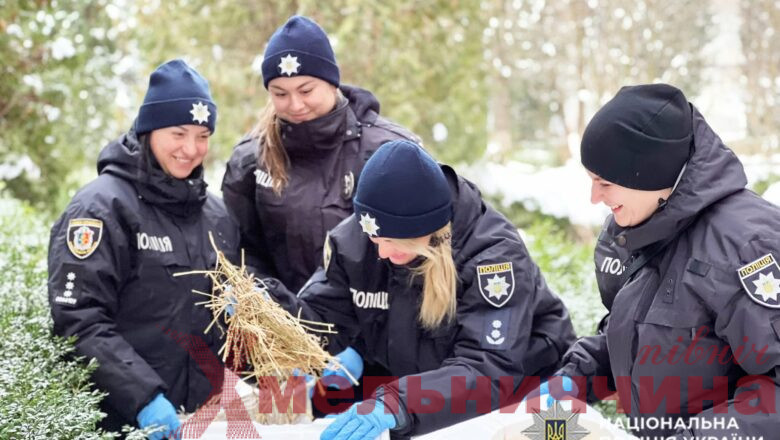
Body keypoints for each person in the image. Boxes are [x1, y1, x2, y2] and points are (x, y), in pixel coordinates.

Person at [260, 139, 576, 438]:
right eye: (375, 239)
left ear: (428, 232)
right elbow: (323, 317)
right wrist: (272, 314)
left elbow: (487, 368)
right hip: (430, 399)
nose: (381, 253)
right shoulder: (355, 244)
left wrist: (397, 403)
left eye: (393, 243)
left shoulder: (493, 259)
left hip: (525, 399)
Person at [551, 84, 780, 439]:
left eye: (605, 182)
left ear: (649, 175)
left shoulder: (747, 246)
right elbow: (634, 328)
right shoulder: (634, 226)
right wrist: (574, 379)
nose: (594, 197)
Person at [47, 59, 240, 439]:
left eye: (203, 135)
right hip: (121, 421)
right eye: (179, 133)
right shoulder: (101, 209)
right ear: (148, 130)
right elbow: (78, 320)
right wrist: (143, 397)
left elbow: (231, 312)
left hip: (200, 421)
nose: (191, 148)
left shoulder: (217, 215)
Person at [221, 15, 420, 295]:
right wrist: (274, 306)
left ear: (332, 82)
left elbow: (428, 247)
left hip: (374, 328)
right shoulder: (251, 159)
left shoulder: (389, 150)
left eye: (306, 90)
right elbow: (239, 250)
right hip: (290, 326)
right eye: (280, 94)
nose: (295, 104)